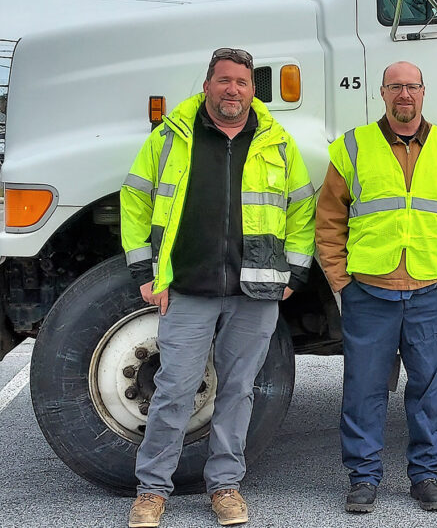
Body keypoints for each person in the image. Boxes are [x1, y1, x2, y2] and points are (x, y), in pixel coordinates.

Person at [120, 47, 317, 527]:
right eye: (224, 80)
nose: (233, 90)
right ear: (207, 85)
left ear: (253, 90)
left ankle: (225, 486)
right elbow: (136, 199)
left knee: (237, 391)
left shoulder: (278, 143)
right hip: (187, 287)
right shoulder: (170, 137)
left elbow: (301, 211)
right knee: (174, 390)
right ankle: (151, 491)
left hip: (255, 293)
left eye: (242, 83)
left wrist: (293, 274)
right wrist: (145, 274)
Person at [315, 61, 437, 514]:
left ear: (424, 92)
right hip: (369, 291)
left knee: (428, 390)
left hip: (433, 291)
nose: (404, 95)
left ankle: (426, 476)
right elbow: (328, 220)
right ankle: (363, 478)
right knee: (364, 388)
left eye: (412, 87)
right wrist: (340, 280)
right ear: (382, 93)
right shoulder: (353, 147)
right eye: (395, 87)